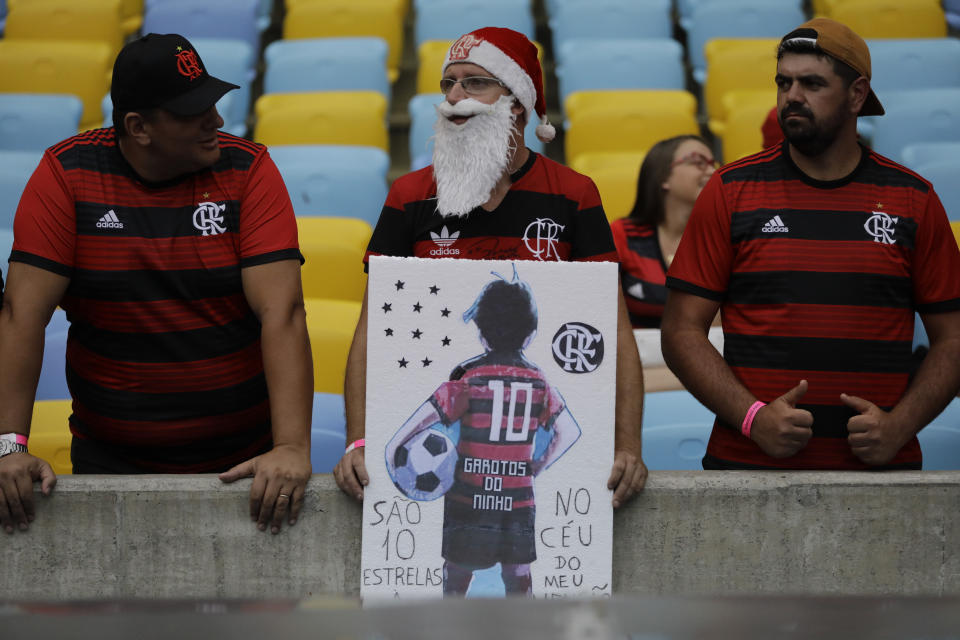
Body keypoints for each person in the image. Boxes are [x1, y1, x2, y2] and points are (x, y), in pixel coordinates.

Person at [0, 33, 313, 534]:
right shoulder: (67, 174)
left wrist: (292, 447)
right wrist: (8, 446)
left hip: (244, 466)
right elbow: (21, 313)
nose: (216, 121)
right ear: (138, 126)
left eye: (213, 103)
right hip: (110, 463)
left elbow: (283, 312)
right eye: (194, 112)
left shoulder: (249, 170)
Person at [333, 27, 647, 509]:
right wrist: (358, 439)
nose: (453, 98)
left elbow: (615, 330)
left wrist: (626, 445)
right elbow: (373, 329)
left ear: (516, 103)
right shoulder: (409, 196)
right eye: (448, 85)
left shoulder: (574, 194)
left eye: (474, 83)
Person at [661, 18, 960, 470]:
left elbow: (953, 339)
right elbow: (681, 332)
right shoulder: (729, 190)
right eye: (784, 82)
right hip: (747, 469)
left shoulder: (914, 200)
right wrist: (752, 418)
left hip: (880, 477)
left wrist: (900, 426)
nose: (792, 96)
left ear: (857, 94)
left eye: (811, 83)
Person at [385, 270, 582, 596]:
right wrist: (539, 465)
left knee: (457, 570)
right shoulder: (539, 381)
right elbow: (569, 431)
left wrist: (395, 448)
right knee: (518, 572)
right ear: (530, 335)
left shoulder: (469, 379)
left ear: (482, 334)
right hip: (518, 503)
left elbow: (421, 419)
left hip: (468, 499)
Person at [611, 135, 716, 328]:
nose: (711, 171)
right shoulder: (622, 235)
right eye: (698, 162)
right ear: (663, 177)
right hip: (634, 356)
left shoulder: (721, 239)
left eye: (713, 163)